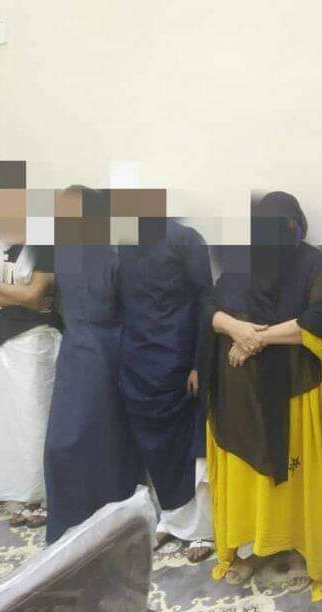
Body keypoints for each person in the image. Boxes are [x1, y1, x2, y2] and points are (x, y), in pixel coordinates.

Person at [199, 191, 322, 600]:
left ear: (298, 226)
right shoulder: (241, 261)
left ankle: (297, 550)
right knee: (250, 478)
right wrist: (235, 329)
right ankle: (256, 548)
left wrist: (257, 338)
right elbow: (208, 307)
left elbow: (321, 317)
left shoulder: (313, 263)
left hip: (291, 392)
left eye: (285, 226)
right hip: (240, 399)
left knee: (291, 476)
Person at [43, 186, 142, 543]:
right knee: (63, 442)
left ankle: (109, 521)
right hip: (74, 352)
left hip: (108, 353)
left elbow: (130, 309)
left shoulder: (117, 257)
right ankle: (68, 524)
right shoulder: (61, 253)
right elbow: (56, 305)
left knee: (105, 437)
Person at [118, 214, 214, 563]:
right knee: (153, 446)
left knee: (186, 444)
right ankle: (170, 519)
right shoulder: (125, 243)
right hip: (138, 360)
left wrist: (199, 362)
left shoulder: (185, 239)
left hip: (179, 359)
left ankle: (202, 529)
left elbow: (206, 300)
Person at [0, 193, 62, 528]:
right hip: (1, 338)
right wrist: (21, 298)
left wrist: (2, 289)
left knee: (38, 419)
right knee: (12, 422)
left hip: (37, 339)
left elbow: (35, 293)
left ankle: (50, 497)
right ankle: (27, 496)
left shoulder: (45, 243)